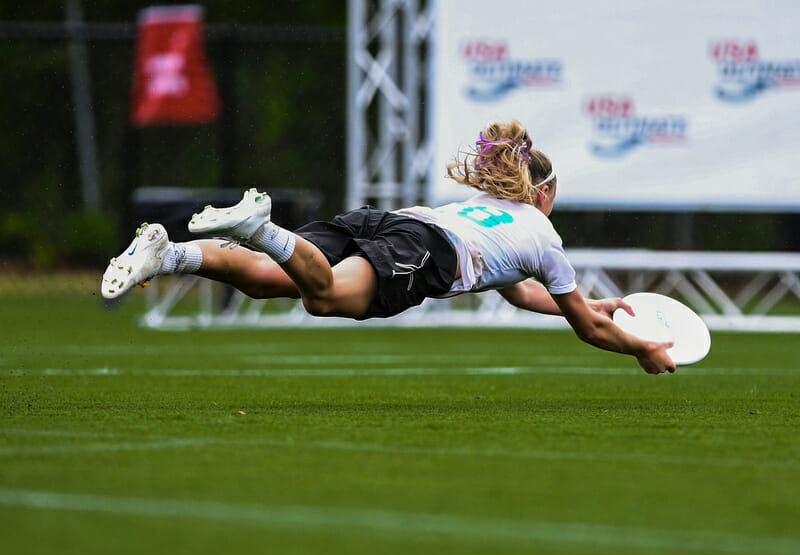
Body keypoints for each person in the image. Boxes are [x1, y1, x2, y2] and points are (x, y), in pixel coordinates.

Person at [101, 120, 675, 374]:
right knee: (323, 299)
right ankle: (260, 227)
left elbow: (523, 293)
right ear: (544, 191)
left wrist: (587, 305)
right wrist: (642, 349)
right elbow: (590, 330)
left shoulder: (498, 216)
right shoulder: (544, 234)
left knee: (264, 279)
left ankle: (169, 253)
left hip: (389, 221)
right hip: (426, 247)